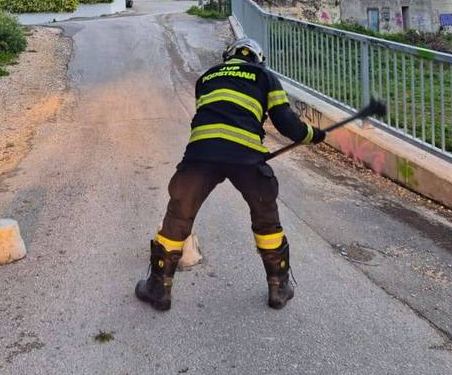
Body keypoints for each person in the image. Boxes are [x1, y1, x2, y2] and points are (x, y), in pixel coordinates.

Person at [135, 37, 325, 311]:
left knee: (178, 215)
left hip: (202, 153)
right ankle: (278, 288)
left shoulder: (207, 77)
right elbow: (287, 124)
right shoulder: (265, 76)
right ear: (257, 59)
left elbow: (213, 114)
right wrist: (312, 135)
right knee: (266, 219)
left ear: (229, 56)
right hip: (246, 155)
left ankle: (159, 289)